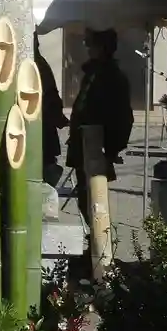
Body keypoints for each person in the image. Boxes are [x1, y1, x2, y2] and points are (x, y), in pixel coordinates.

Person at [66, 28, 134, 222]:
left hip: (98, 146)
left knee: (95, 200)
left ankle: (101, 240)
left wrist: (111, 149)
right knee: (85, 198)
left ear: (103, 47)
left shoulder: (113, 77)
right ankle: (94, 238)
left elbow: (123, 117)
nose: (88, 49)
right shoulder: (92, 74)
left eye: (92, 45)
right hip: (83, 143)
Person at [34, 48, 68, 186]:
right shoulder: (38, 63)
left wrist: (57, 116)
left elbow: (51, 94)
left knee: (45, 160)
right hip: (41, 120)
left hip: (42, 121)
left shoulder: (38, 64)